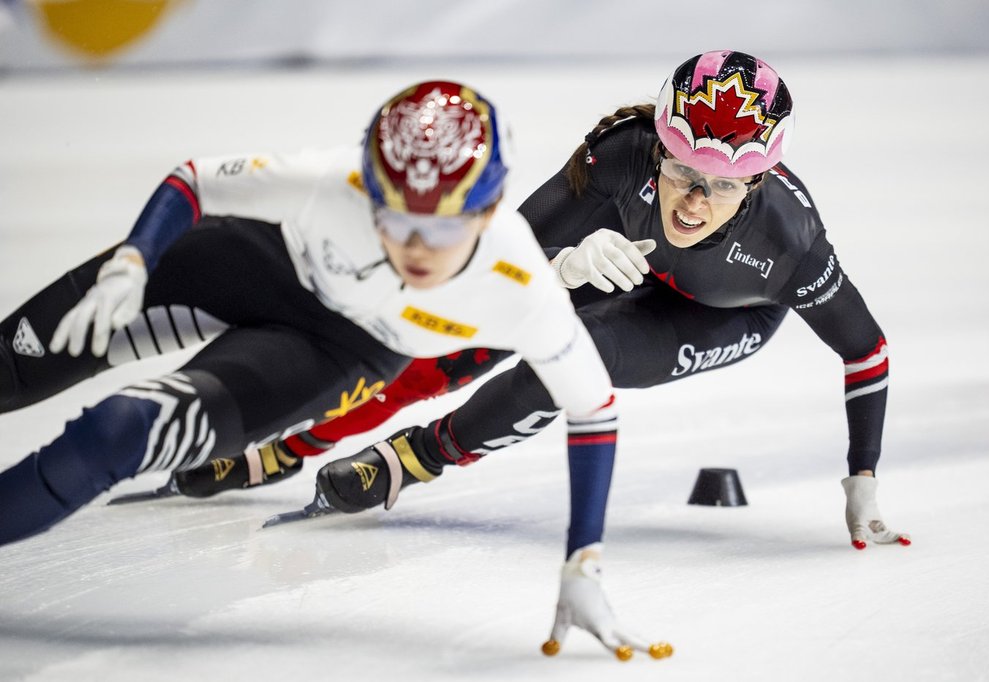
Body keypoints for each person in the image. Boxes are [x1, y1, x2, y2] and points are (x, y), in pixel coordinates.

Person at [153, 51, 910, 653]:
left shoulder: (790, 244)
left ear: (760, 181)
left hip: (720, 318)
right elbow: (482, 269)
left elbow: (866, 350)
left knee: (587, 356)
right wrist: (562, 265)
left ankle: (413, 460)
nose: (691, 202)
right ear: (660, 147)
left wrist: (863, 479)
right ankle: (296, 435)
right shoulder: (621, 155)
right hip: (614, 261)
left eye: (720, 187)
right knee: (470, 333)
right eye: (680, 171)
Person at [1, 80, 677, 653]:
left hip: (329, 353)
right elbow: (194, 180)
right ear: (369, 182)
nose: (412, 247)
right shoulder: (340, 178)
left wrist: (583, 560)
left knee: (121, 430)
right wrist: (135, 260)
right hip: (250, 265)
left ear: (488, 209)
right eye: (391, 216)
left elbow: (593, 407)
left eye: (441, 227)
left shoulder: (519, 280)